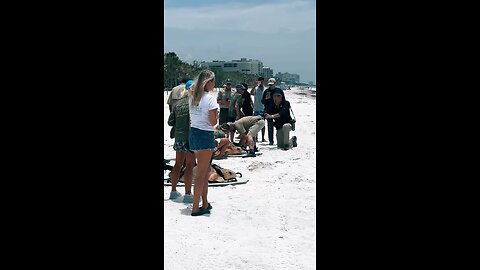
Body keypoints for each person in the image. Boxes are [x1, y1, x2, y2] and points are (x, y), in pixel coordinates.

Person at [188, 70, 219, 216]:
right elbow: (213, 122)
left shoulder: (193, 96)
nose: (214, 84)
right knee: (201, 174)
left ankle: (205, 202)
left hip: (194, 133)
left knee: (205, 171)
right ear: (208, 82)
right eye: (213, 81)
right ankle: (195, 207)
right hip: (205, 134)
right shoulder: (210, 99)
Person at [167, 83, 195, 203]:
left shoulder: (177, 104)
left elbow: (170, 122)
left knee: (177, 164)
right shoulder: (193, 104)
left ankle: (173, 191)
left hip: (179, 138)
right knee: (189, 165)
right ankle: (188, 194)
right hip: (190, 138)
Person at [261, 78, 285, 145]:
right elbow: (262, 101)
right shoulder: (266, 91)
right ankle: (271, 141)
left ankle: (280, 139)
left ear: (275, 84)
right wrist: (266, 98)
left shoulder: (279, 90)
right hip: (269, 111)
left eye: (272, 85)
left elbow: (283, 100)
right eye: (269, 85)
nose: (270, 86)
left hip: (277, 111)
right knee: (270, 127)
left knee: (279, 125)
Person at [251, 76, 267, 142]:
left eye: (262, 81)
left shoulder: (265, 89)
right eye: (259, 81)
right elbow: (251, 93)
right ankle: (256, 138)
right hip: (256, 109)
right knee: (256, 124)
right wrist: (254, 86)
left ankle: (263, 138)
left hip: (263, 109)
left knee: (263, 124)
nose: (261, 83)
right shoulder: (256, 89)